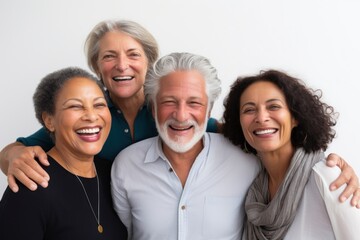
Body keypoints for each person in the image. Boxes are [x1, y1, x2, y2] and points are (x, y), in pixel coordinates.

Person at [110, 53, 359, 240]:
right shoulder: (126, 166)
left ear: (209, 110)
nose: (182, 115)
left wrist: (335, 169)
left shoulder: (249, 160)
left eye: (194, 102)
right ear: (153, 108)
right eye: (169, 102)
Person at [0, 19, 219, 193]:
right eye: (109, 56)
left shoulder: (170, 111)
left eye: (133, 55)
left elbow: (221, 132)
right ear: (96, 66)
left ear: (149, 61)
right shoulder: (89, 116)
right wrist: (15, 156)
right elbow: (12, 152)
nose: (122, 66)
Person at [222, 69, 360, 239]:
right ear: (239, 123)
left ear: (295, 117)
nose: (261, 117)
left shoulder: (327, 176)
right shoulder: (253, 189)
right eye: (249, 110)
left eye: (274, 106)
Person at [0, 67, 127, 239]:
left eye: (99, 105)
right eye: (75, 106)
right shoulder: (31, 183)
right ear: (49, 121)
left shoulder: (113, 174)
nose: (91, 116)